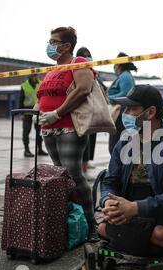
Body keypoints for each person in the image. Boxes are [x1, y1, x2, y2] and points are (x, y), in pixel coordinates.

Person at [97, 85, 163, 257]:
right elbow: (110, 181)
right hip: (130, 209)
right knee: (101, 228)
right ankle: (139, 241)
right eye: (126, 109)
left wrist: (135, 208)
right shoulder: (124, 143)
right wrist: (108, 202)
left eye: (132, 109)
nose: (126, 114)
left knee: (160, 235)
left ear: (150, 112)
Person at [36, 27, 98, 241]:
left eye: (53, 42)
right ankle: (72, 221)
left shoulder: (78, 61)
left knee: (73, 174)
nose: (49, 45)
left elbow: (83, 89)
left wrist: (57, 113)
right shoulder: (52, 70)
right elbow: (41, 96)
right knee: (61, 177)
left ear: (66, 46)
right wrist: (37, 113)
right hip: (49, 128)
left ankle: (91, 225)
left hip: (69, 126)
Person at [75, 47, 101, 181]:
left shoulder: (93, 71)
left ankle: (84, 168)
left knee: (88, 142)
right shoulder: (76, 70)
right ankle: (80, 171)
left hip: (92, 111)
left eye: (89, 56)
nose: (88, 59)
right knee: (81, 142)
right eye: (85, 56)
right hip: (80, 112)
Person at [107, 52, 137, 154]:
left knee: (115, 147)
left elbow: (126, 95)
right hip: (120, 116)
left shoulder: (125, 77)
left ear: (118, 64)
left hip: (121, 116)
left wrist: (108, 98)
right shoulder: (125, 76)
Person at [19, 74, 48, 157]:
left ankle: (40, 150)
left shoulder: (41, 83)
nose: (34, 77)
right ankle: (26, 150)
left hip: (38, 110)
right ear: (29, 76)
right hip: (27, 111)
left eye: (35, 75)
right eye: (32, 75)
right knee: (26, 131)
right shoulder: (24, 85)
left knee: (39, 132)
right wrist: (21, 113)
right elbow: (20, 99)